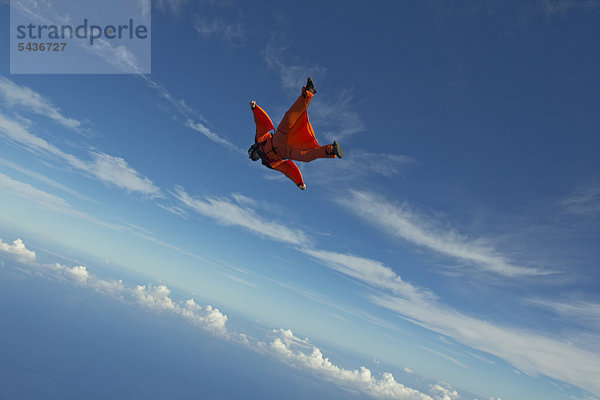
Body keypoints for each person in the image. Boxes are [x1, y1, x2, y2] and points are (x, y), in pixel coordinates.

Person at [248, 77, 343, 190]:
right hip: (287, 152)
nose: (253, 157)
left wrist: (255, 108)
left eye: (251, 155)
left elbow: (260, 123)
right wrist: (299, 183)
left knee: (289, 119)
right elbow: (287, 170)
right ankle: (331, 150)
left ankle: (308, 93)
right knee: (305, 156)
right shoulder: (268, 163)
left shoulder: (259, 140)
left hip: (278, 138)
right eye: (253, 158)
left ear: (253, 149)